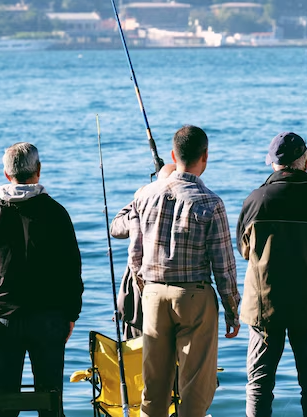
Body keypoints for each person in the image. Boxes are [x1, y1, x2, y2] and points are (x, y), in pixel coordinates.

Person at [128, 126, 241, 417]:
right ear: (205, 156)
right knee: (195, 389)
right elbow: (223, 265)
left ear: (173, 155)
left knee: (153, 389)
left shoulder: (145, 195)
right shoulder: (210, 202)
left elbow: (134, 255)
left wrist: (146, 288)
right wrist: (232, 309)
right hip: (194, 298)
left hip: (153, 293)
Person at [0, 142, 83, 417]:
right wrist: (71, 313)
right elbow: (72, 268)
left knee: (4, 398)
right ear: (38, 171)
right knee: (51, 398)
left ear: (7, 174)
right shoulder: (56, 212)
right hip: (50, 319)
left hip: (5, 317)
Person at [236, 132, 307, 417]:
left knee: (260, 384)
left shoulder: (255, 200)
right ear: (305, 161)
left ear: (274, 165)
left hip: (264, 306)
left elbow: (244, 249)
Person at [111, 164, 176, 340]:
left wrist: (139, 198)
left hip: (141, 296)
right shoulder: (185, 205)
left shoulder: (143, 205)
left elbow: (116, 227)